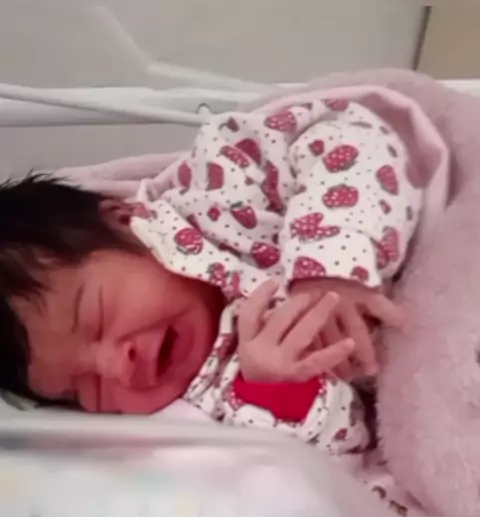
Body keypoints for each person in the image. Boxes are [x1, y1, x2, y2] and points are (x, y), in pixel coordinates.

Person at [0, 95, 422, 458]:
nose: (117, 366)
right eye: (85, 390)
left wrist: (332, 263)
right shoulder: (202, 413)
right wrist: (272, 391)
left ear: (125, 219)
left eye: (97, 315)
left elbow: (352, 138)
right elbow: (342, 457)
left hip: (418, 271)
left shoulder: (225, 186)